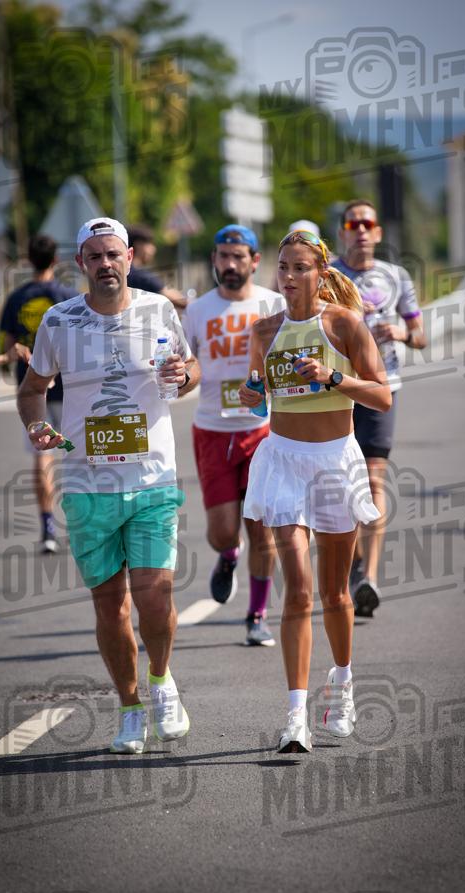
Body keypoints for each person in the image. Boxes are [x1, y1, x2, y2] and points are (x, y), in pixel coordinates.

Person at [17, 217, 201, 755]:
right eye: (94, 256)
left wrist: (183, 377)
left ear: (128, 259)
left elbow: (189, 369)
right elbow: (32, 390)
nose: (105, 264)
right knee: (110, 608)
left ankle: (162, 681)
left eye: (113, 254)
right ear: (81, 264)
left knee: (154, 596)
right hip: (84, 481)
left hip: (151, 477)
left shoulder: (158, 310)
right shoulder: (58, 321)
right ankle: (129, 706)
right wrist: (35, 425)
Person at [239, 229, 391, 753]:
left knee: (335, 593)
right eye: (283, 267)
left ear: (321, 273)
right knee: (298, 589)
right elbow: (259, 401)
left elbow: (382, 396)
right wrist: (251, 393)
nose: (289, 277)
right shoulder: (263, 330)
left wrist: (332, 379)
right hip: (282, 460)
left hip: (334, 462)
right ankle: (296, 717)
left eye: (300, 267)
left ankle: (343, 685)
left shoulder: (345, 324)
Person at [181, 225, 285, 646]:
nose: (229, 264)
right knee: (223, 531)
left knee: (262, 528)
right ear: (213, 259)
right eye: (222, 256)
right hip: (212, 431)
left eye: (238, 257)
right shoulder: (197, 310)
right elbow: (186, 365)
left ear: (254, 261)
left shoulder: (273, 303)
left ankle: (256, 615)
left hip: (263, 431)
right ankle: (228, 556)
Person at [331, 200, 427, 617]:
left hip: (381, 387)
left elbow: (421, 335)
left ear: (379, 232)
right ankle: (351, 564)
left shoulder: (396, 276)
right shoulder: (330, 275)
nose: (361, 231)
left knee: (372, 482)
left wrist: (402, 333)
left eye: (368, 223)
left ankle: (368, 578)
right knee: (338, 487)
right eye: (353, 224)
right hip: (335, 390)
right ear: (343, 232)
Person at [0, 234, 75, 554]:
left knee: (42, 456)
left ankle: (47, 527)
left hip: (34, 391)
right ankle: (85, 522)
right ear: (55, 260)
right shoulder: (68, 297)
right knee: (79, 456)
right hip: (69, 388)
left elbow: (7, 349)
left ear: (29, 261)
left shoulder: (16, 299)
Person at [127, 224, 187, 312]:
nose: (153, 249)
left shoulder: (123, 273)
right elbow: (177, 299)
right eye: (149, 244)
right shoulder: (140, 276)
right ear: (138, 245)